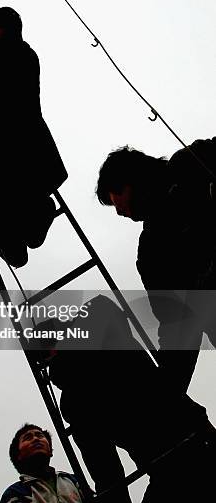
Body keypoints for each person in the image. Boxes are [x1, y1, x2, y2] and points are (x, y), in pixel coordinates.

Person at [40, 295, 216, 503]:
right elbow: (106, 473)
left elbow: (106, 473)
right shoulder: (74, 401)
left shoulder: (73, 399)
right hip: (181, 457)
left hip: (188, 453)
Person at [96, 141, 216, 393]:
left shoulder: (190, 162)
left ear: (130, 180)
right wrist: (166, 394)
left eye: (115, 195)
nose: (118, 212)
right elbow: (176, 326)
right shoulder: (151, 252)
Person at [0, 7, 67, 268]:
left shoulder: (21, 55)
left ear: (12, 29)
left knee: (31, 235)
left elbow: (7, 101)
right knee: (16, 256)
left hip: (18, 152)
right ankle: (6, 232)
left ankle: (37, 212)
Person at [0, 423, 110, 503]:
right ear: (18, 455)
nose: (36, 439)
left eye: (40, 435)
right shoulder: (15, 494)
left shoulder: (73, 480)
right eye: (28, 438)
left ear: (50, 450)